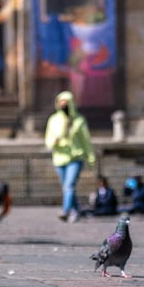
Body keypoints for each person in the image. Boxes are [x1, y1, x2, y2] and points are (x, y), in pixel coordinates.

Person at [45, 90, 96, 223]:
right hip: (59, 158)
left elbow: (86, 140)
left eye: (66, 103)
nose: (63, 106)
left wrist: (90, 157)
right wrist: (54, 142)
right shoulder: (54, 120)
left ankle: (66, 210)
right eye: (61, 103)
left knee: (69, 185)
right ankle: (75, 211)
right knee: (67, 187)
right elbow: (48, 139)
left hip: (75, 158)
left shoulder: (79, 120)